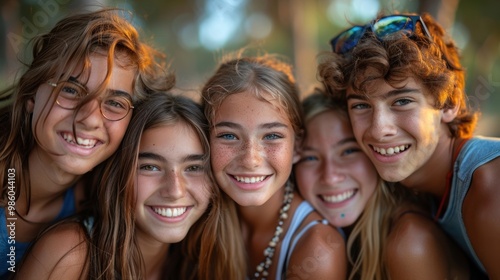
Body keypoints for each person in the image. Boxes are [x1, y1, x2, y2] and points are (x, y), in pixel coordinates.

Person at [318, 12, 499, 279]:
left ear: (449, 104)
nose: (379, 130)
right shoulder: (428, 189)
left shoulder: (489, 192)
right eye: (361, 105)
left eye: (402, 101)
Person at [0, 8, 173, 277]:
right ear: (31, 95)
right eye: (70, 90)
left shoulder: (98, 205)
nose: (90, 119)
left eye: (115, 103)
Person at [15, 92, 245, 279]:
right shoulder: (70, 253)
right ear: (119, 173)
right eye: (150, 167)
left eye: (194, 168)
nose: (175, 191)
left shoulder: (201, 262)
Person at [295, 90, 470, 280]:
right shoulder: (318, 236)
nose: (330, 177)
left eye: (348, 151)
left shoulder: (409, 241)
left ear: (377, 152)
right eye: (310, 157)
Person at [201, 53, 346, 279]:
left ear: (297, 146)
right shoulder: (198, 221)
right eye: (229, 135)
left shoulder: (317, 250)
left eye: (271, 136)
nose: (250, 159)